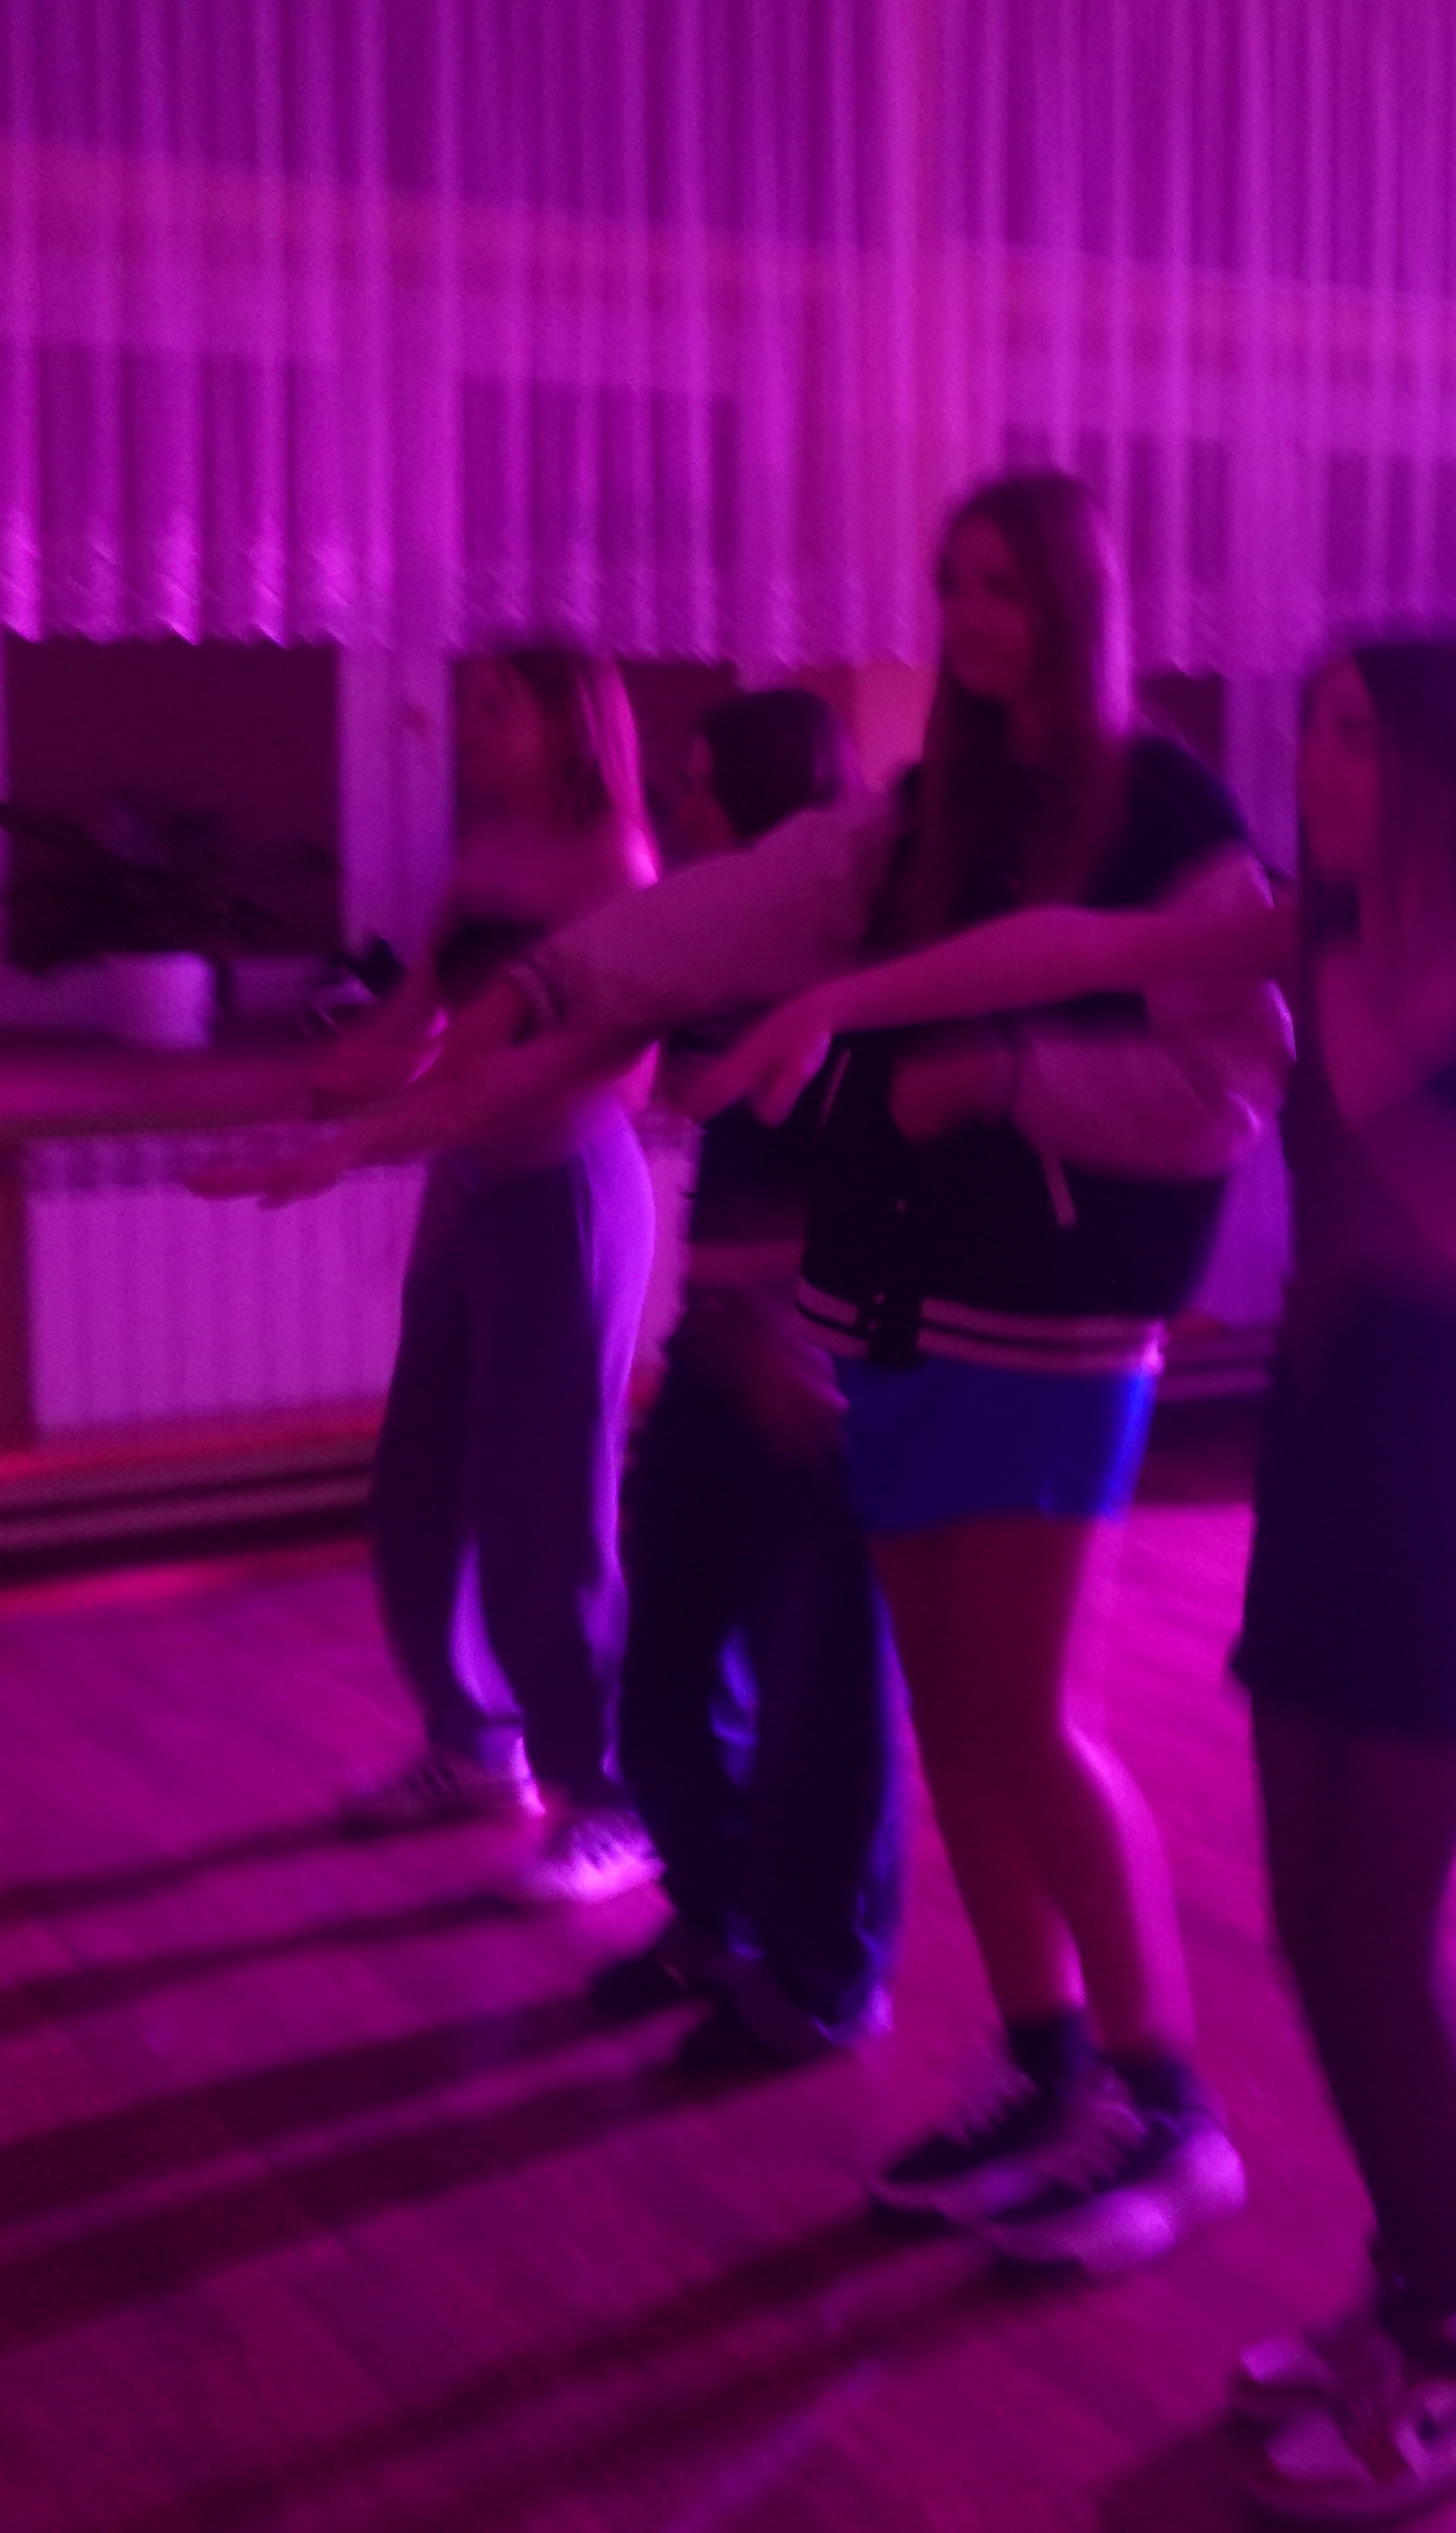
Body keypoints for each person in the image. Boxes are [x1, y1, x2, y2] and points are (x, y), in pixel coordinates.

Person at [260, 473, 1287, 2273]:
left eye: (1006, 588)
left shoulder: (1165, 813)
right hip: (905, 1312)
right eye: (954, 584)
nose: (971, 621)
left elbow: (1224, 1092)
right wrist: (531, 997)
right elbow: (723, 915)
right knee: (958, 1723)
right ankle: (1043, 2060)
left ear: (1076, 603)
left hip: (1058, 1331)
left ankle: (1165, 2108)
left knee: (1031, 1719)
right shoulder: (932, 817)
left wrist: (1007, 1082)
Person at [699, 635, 1456, 2515]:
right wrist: (845, 1003)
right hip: (1325, 1437)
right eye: (1313, 729)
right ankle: (1402, 2298)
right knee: (1308, 1923)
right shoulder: (1313, 930)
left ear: (1447, 755)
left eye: (1352, 732)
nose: (1314, 762)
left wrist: (1372, 1061)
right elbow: (1066, 953)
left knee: (1380, 1936)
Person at [582, 686, 908, 2073]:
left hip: (809, 1367)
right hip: (717, 1356)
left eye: (706, 786)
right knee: (662, 1667)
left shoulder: (851, 974)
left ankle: (821, 1977)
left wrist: (777, 1316)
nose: (684, 809)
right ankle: (714, 1920)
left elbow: (876, 1184)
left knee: (819, 1686)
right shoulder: (725, 957)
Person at [302, 646, 661, 1907]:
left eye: (495, 706)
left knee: (546, 1509)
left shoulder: (617, 866)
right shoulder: (485, 855)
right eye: (468, 704)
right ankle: (471, 1747)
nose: (467, 726)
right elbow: (418, 1020)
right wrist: (334, 1084)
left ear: (568, 722)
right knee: (419, 1489)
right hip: (470, 1191)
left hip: (566, 1199)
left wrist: (412, 1115)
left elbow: (624, 1075)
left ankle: (612, 1799)